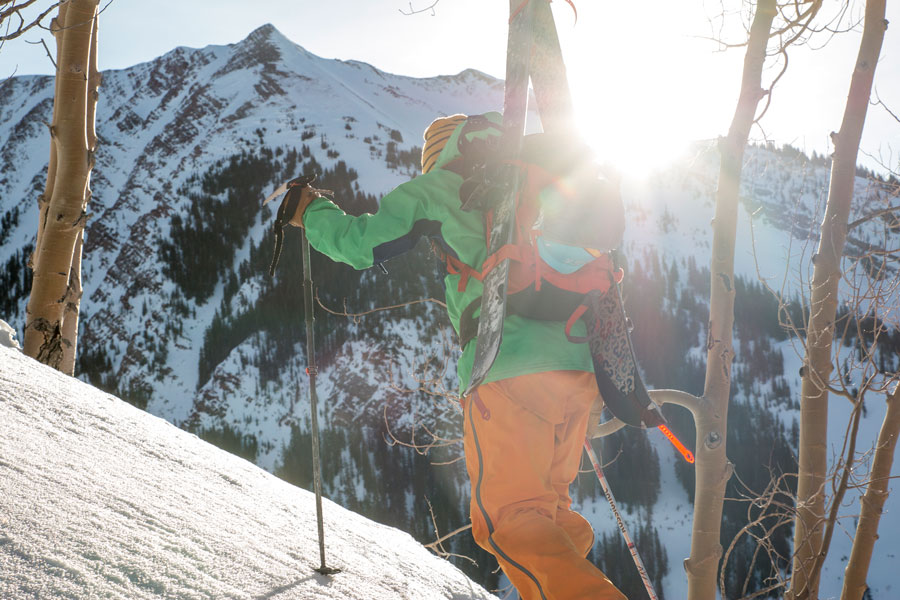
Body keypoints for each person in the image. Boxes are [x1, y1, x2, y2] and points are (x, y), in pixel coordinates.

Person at [288, 112, 626, 600]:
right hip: (580, 365)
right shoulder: (529, 173)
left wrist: (310, 213)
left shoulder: (441, 186)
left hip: (507, 367)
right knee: (550, 513)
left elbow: (361, 243)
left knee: (509, 519)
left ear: (437, 156)